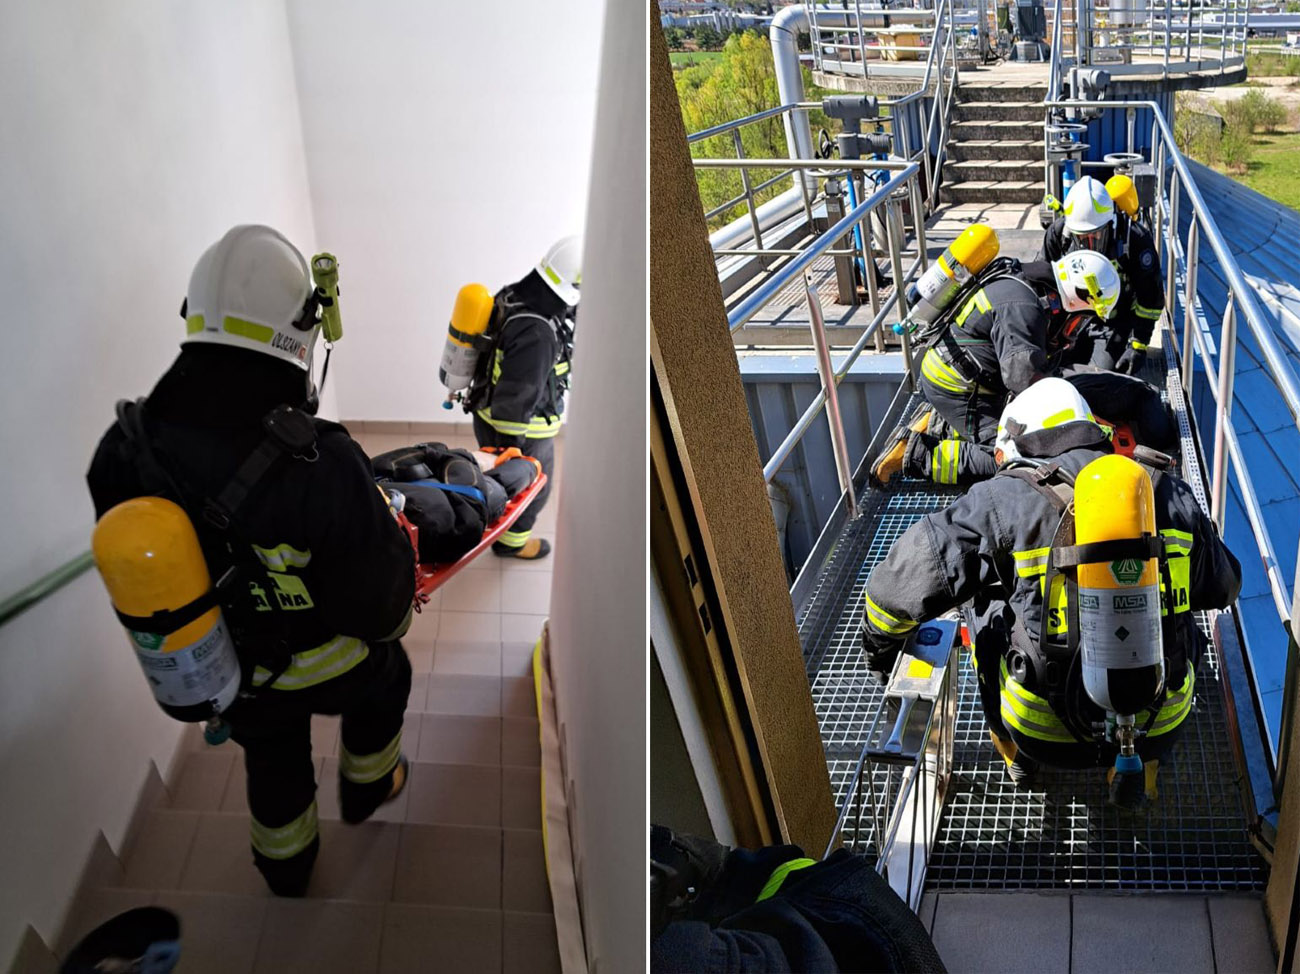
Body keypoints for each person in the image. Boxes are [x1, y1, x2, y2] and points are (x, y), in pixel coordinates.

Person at [87, 225, 416, 896]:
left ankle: (287, 871)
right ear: (301, 329)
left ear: (194, 317)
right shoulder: (322, 462)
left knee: (272, 758)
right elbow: (382, 612)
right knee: (390, 674)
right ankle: (369, 786)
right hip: (332, 665)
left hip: (230, 673)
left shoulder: (122, 450)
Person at [859, 379, 1241, 806]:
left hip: (1041, 729)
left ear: (1021, 443)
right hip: (1161, 717)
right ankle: (1143, 770)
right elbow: (1223, 589)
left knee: (981, 607)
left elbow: (892, 592)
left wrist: (884, 656)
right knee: (1179, 610)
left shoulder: (998, 500)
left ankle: (1015, 758)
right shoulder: (1164, 489)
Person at [871, 250, 1121, 486]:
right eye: (1082, 321)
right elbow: (1026, 383)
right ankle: (914, 453)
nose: (1077, 332)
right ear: (1075, 301)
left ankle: (939, 423)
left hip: (963, 376)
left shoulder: (1027, 288)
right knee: (1009, 456)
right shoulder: (1023, 310)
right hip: (958, 387)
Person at [463, 236, 580, 560]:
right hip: (523, 433)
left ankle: (491, 523)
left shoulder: (516, 293)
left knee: (498, 482)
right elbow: (519, 395)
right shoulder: (538, 333)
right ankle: (510, 545)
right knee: (531, 492)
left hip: (487, 412)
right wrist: (510, 447)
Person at [1039, 175, 1164, 374]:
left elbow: (1150, 299)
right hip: (1069, 321)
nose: (1090, 243)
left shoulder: (1135, 241)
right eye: (1082, 237)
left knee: (1095, 379)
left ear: (1110, 225)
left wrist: (1138, 346)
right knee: (1046, 371)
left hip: (1113, 325)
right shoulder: (1059, 234)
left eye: (1096, 235)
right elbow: (1040, 280)